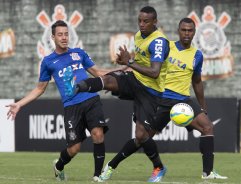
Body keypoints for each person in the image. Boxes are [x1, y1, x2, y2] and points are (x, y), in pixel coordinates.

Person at [73, 6, 170, 182]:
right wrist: (124, 65)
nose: (141, 24)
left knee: (141, 136)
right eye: (139, 20)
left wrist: (130, 62)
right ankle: (80, 86)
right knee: (110, 80)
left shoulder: (159, 42)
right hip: (135, 80)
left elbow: (155, 72)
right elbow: (138, 62)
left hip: (151, 92)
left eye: (146, 21)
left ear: (155, 22)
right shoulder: (139, 36)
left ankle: (158, 167)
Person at [6, 20, 110, 182]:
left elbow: (98, 72)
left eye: (66, 34)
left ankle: (98, 176)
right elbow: (40, 89)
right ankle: (59, 166)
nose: (64, 37)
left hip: (91, 99)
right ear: (53, 37)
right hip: (71, 106)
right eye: (60, 34)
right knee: (74, 148)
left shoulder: (79, 53)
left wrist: (123, 69)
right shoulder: (48, 62)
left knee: (98, 134)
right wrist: (19, 104)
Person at [154, 17, 228, 179]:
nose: (187, 33)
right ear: (178, 31)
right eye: (184, 30)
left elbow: (197, 81)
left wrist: (203, 107)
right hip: (162, 99)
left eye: (190, 30)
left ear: (194, 33)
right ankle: (112, 166)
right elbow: (152, 66)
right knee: (142, 137)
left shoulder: (197, 55)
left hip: (183, 100)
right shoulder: (167, 47)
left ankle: (207, 173)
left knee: (207, 127)